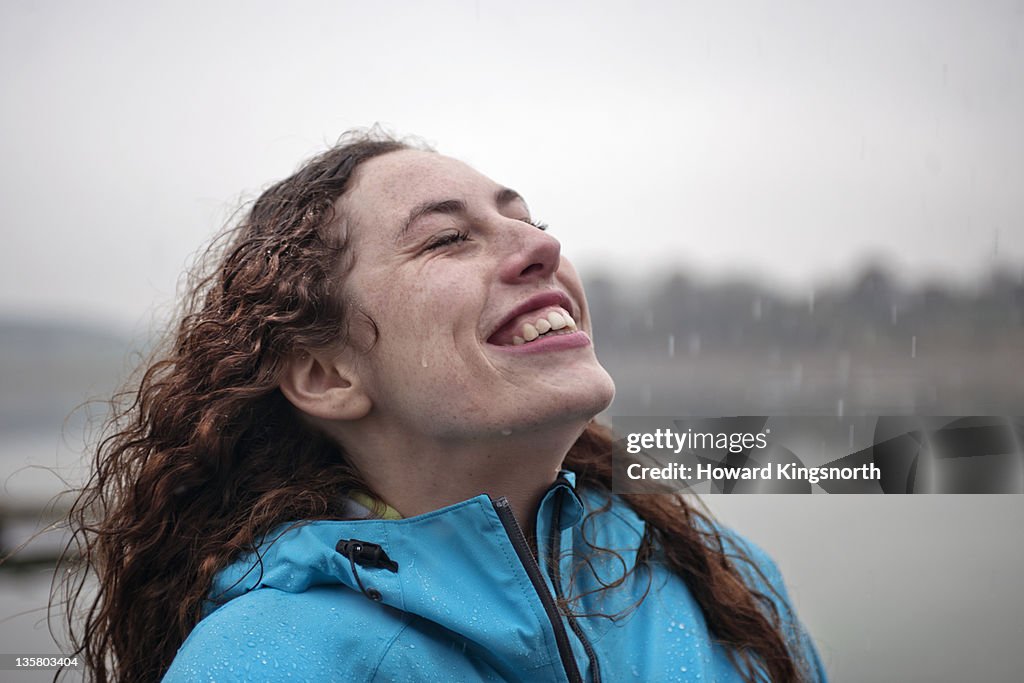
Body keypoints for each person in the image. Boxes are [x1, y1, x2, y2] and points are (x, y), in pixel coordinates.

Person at [60, 129, 827, 682]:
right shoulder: (267, 659)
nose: (541, 248)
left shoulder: (721, 582)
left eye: (529, 220)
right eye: (448, 239)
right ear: (327, 375)